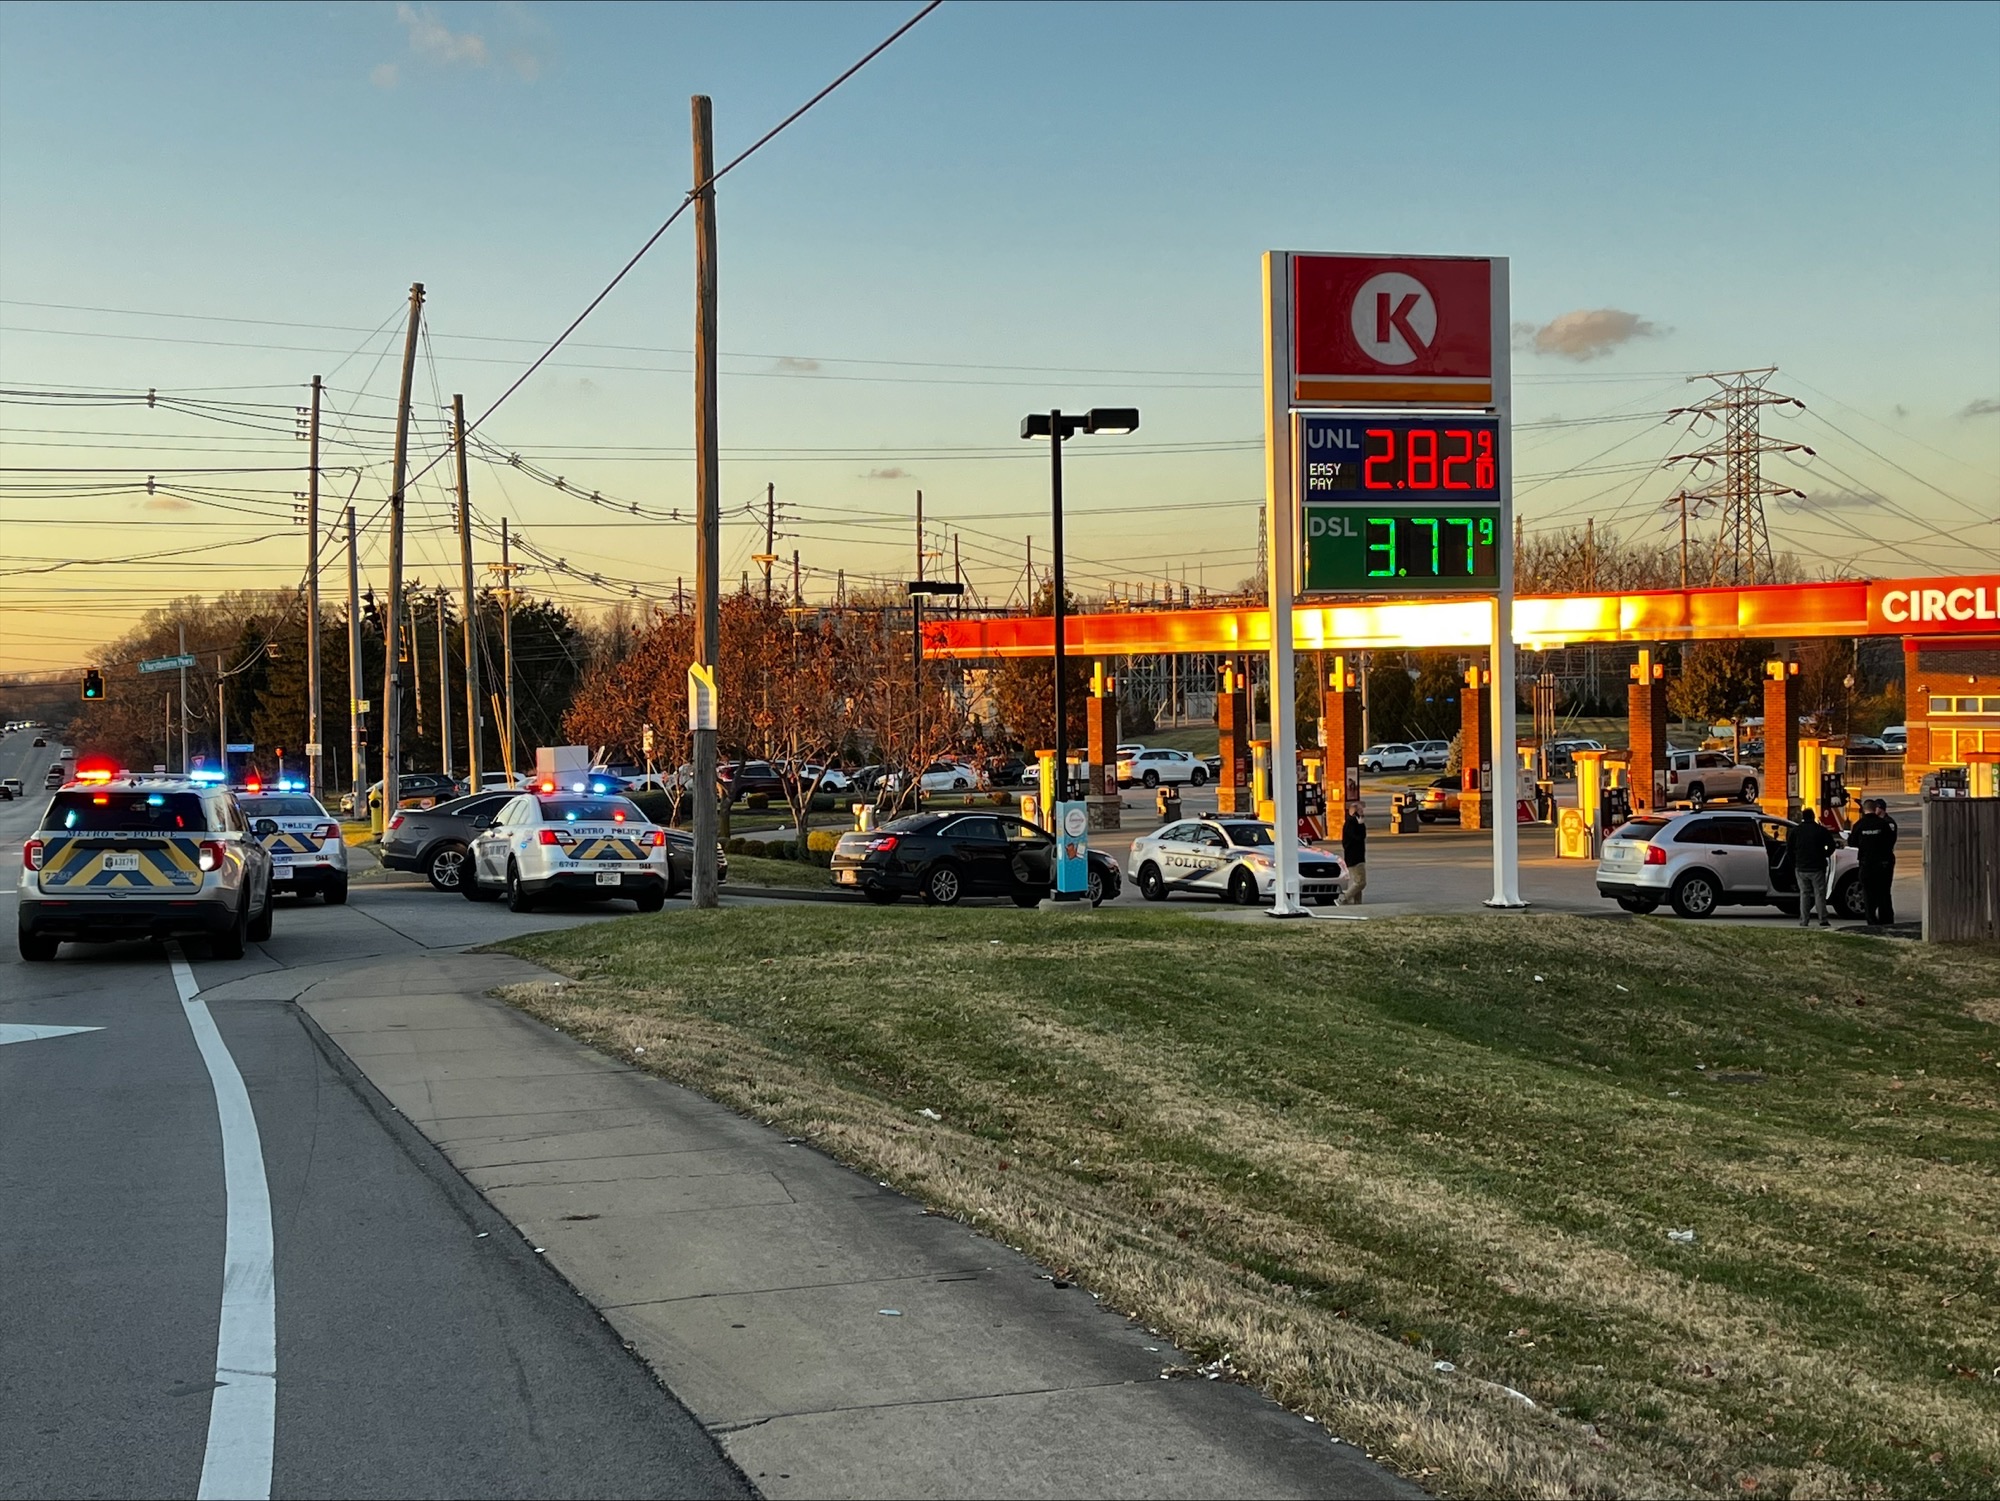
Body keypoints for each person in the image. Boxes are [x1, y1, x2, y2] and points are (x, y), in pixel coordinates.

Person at [1847, 797, 1898, 925]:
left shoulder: (1859, 825)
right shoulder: (1883, 824)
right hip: (1883, 864)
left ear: (1864, 810)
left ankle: (1871, 920)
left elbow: (1852, 842)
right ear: (1875, 809)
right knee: (1884, 893)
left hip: (1867, 864)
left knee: (1868, 893)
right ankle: (1886, 920)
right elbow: (1890, 840)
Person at [1792, 805, 1838, 927]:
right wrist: (1824, 854)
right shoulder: (1820, 830)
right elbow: (1832, 845)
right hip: (1817, 867)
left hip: (1801, 867)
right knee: (1819, 893)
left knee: (1804, 893)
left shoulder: (1796, 831)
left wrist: (1795, 861)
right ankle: (1822, 919)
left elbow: (1789, 848)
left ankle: (1804, 920)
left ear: (1803, 817)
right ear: (1813, 817)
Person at [1339, 802, 1368, 905]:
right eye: (1360, 810)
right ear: (1355, 812)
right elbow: (1359, 838)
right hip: (1355, 857)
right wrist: (1361, 825)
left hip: (1356, 856)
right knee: (1361, 882)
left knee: (1357, 881)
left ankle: (1357, 903)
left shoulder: (1353, 822)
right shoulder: (1352, 823)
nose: (1363, 812)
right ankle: (1344, 898)